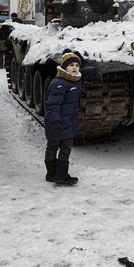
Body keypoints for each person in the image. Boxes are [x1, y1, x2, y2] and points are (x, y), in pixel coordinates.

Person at [43, 50, 98, 185]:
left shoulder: (74, 80)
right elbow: (53, 105)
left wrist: (93, 71)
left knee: (66, 148)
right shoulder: (59, 84)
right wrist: (55, 121)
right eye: (71, 65)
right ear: (63, 67)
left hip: (68, 123)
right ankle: (52, 174)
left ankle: (59, 173)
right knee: (53, 147)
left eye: (76, 65)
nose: (74, 68)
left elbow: (82, 75)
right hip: (56, 123)